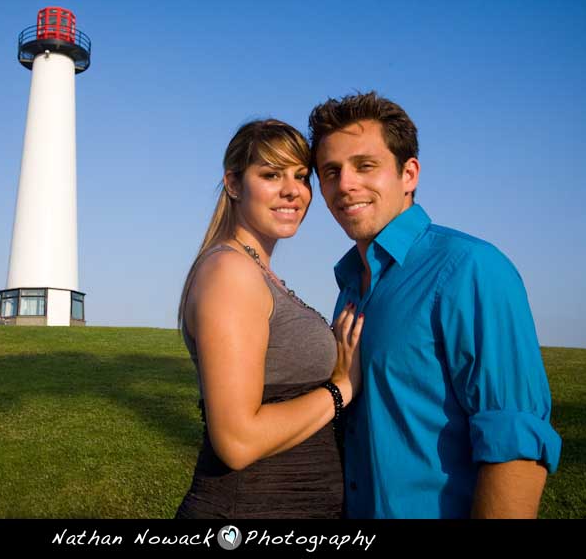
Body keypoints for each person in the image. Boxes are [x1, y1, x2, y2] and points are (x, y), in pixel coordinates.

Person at [308, 91, 562, 518]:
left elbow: (514, 443)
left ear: (409, 174)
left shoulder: (471, 268)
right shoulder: (349, 286)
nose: (345, 184)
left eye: (364, 166)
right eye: (330, 172)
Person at [175, 119, 362, 519]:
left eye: (301, 175)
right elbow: (236, 441)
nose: (293, 190)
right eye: (271, 174)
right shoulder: (230, 273)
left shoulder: (255, 270)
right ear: (234, 184)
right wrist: (340, 388)